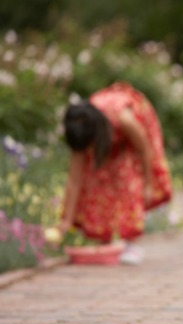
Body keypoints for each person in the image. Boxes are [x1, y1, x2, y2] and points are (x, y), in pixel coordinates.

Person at [58, 82, 172, 264]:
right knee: (96, 179)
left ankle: (131, 243)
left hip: (137, 133)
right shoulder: (80, 130)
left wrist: (149, 185)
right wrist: (65, 222)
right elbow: (75, 180)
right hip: (106, 134)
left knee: (126, 177)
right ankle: (107, 241)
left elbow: (145, 150)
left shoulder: (123, 119)